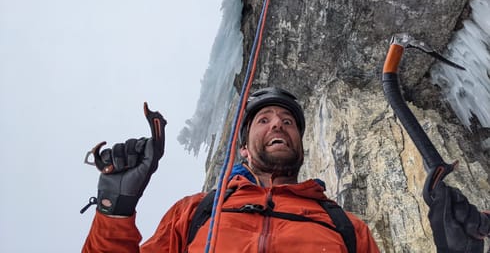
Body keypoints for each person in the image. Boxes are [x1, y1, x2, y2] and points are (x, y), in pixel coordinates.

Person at [82, 87, 489, 253]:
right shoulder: (195, 212)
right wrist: (114, 211)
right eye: (264, 120)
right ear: (242, 148)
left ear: (298, 145)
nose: (277, 123)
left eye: (287, 121)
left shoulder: (346, 227)